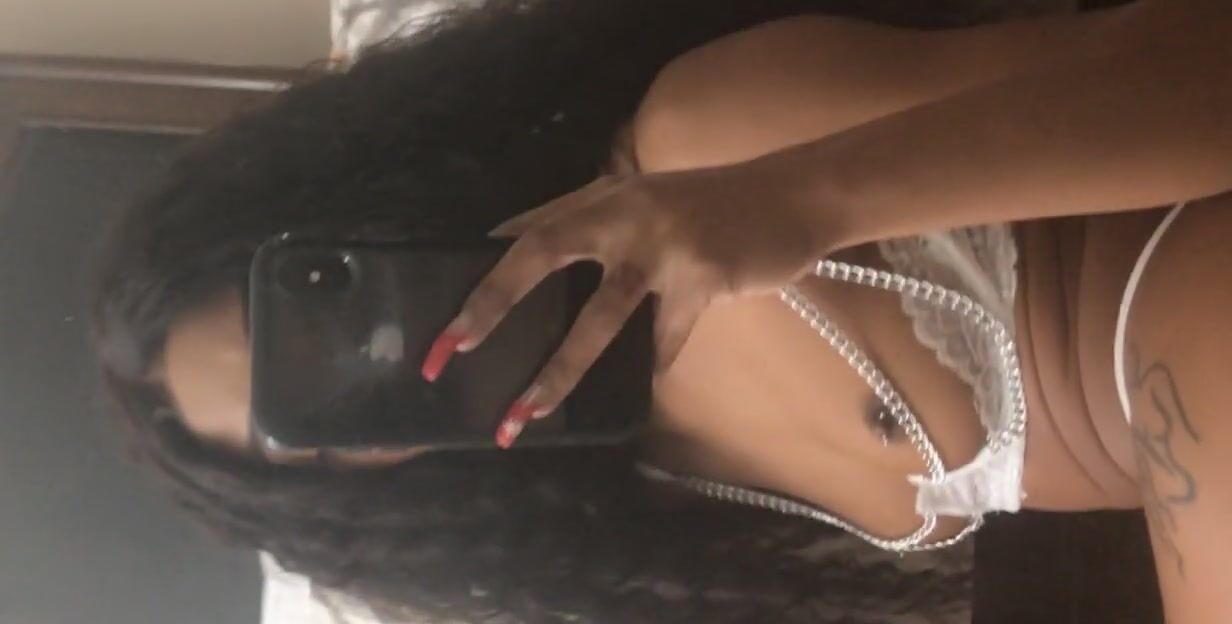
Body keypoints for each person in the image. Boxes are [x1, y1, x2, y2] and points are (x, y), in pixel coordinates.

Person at [90, 0, 1232, 621]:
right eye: (312, 437)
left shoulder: (697, 139)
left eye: (311, 341)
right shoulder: (642, 501)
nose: (371, 395)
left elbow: (1205, 65)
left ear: (346, 217)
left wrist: (792, 199)